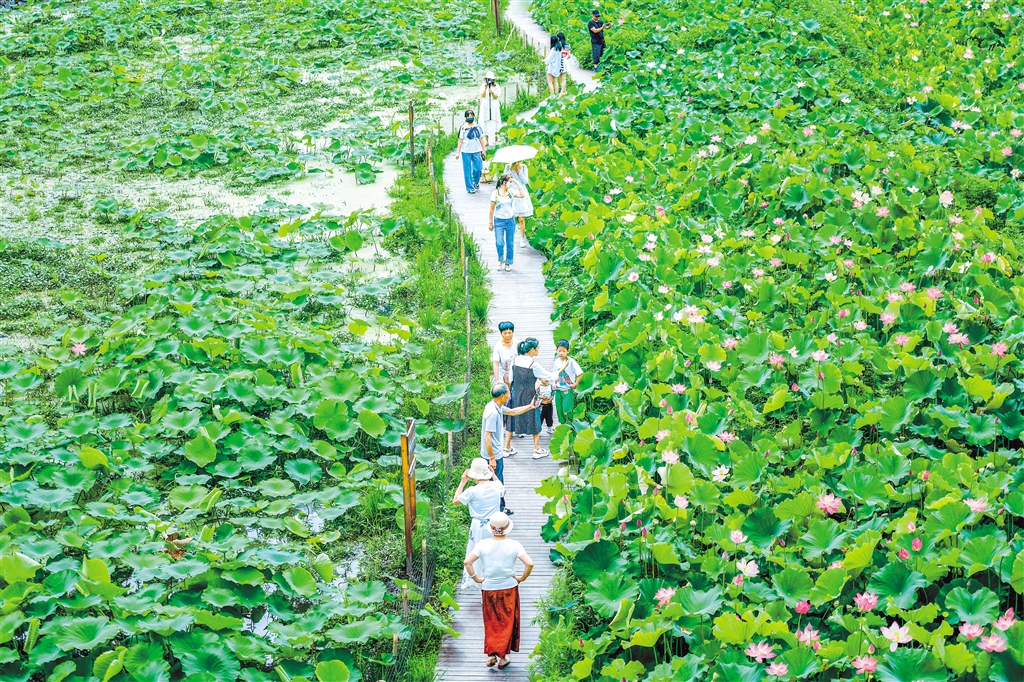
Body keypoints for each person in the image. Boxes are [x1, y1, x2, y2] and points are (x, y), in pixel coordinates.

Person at [464, 512, 534, 669]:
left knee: (491, 622)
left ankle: (492, 654)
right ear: (507, 528)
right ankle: (502, 657)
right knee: (507, 622)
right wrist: (522, 578)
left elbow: (467, 562)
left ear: (491, 528)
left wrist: (476, 578)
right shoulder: (514, 545)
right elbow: (529, 563)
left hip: (489, 588)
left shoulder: (482, 545)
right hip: (509, 588)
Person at [482, 383, 541, 514]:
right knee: (496, 483)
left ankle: (499, 508)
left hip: (495, 453)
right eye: (508, 393)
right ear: (502, 396)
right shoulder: (492, 413)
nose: (510, 395)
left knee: (496, 481)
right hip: (493, 455)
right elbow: (487, 437)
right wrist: (492, 458)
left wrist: (530, 406)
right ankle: (498, 510)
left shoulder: (495, 406)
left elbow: (513, 412)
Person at [453, 458, 506, 589]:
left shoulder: (472, 491)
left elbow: (456, 500)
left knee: (477, 553)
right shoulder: (496, 486)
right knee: (495, 553)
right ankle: (496, 580)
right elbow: (503, 490)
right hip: (495, 524)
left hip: (478, 526)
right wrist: (494, 475)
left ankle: (478, 580)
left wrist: (462, 482)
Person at [506, 338, 557, 459]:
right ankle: (537, 450)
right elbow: (549, 376)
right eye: (538, 348)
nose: (539, 350)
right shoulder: (534, 365)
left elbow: (510, 379)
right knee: (534, 420)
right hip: (529, 396)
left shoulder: (515, 360)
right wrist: (560, 370)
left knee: (511, 419)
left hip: (516, 393)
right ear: (532, 350)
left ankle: (506, 447)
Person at [489, 173, 525, 272]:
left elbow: (522, 195)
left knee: (510, 243)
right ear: (504, 182)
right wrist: (490, 222)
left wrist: (516, 182)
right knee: (499, 243)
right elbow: (491, 209)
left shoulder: (511, 192)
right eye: (510, 181)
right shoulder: (495, 193)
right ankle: (500, 259)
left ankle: (508, 262)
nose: (511, 183)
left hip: (510, 221)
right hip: (499, 221)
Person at [552, 339, 584, 429]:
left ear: (568, 351)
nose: (561, 353)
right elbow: (554, 374)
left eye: (563, 351)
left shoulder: (571, 362)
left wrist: (576, 384)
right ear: (556, 350)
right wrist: (554, 383)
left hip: (567, 389)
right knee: (559, 409)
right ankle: (562, 425)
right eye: (559, 351)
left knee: (567, 408)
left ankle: (570, 425)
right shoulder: (556, 361)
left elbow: (580, 373)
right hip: (558, 389)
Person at [455, 109, 486, 194]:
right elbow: (460, 140)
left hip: (477, 150)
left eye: (471, 116)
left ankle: (475, 181)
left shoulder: (478, 126)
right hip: (466, 151)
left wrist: (484, 150)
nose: (470, 117)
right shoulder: (463, 128)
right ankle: (470, 187)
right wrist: (458, 153)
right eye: (468, 116)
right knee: (467, 170)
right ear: (465, 117)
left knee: (478, 168)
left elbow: (481, 138)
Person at [504, 161, 533, 248]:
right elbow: (504, 182)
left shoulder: (524, 167)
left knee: (521, 218)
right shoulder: (508, 167)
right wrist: (510, 172)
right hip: (511, 192)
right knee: (510, 217)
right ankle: (510, 238)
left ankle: (522, 238)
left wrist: (518, 172)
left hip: (521, 192)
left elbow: (525, 181)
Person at [478, 71, 502, 147]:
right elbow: (482, 95)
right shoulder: (483, 86)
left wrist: (492, 92)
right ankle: (486, 140)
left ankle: (496, 139)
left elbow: (496, 97)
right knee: (485, 120)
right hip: (485, 104)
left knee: (495, 120)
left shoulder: (496, 86)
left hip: (493, 104)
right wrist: (485, 88)